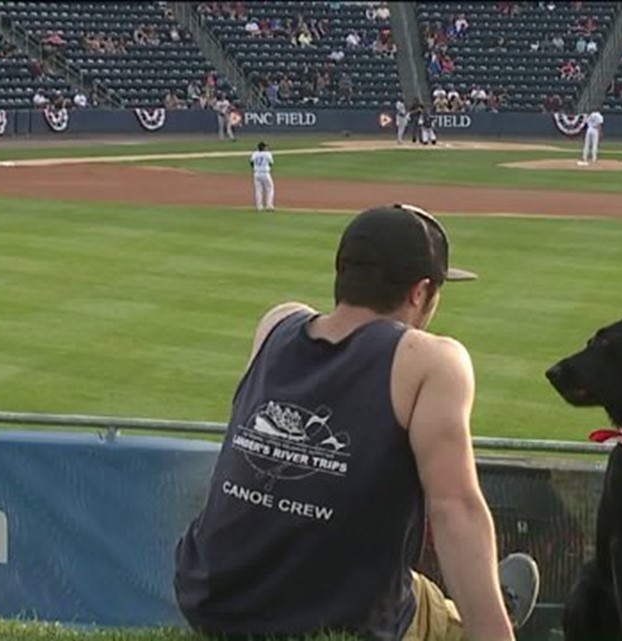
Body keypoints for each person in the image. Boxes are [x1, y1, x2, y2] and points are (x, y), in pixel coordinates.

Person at [173, 203, 541, 641]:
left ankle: (475, 603)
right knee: (440, 621)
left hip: (211, 599)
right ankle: (494, 611)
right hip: (330, 620)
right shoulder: (431, 360)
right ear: (419, 292)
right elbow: (454, 508)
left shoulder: (276, 323)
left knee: (416, 588)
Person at [250, 141, 275, 211]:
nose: (267, 148)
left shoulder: (255, 154)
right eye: (265, 147)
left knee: (258, 190)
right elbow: (271, 163)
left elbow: (251, 162)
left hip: (256, 173)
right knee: (270, 188)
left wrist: (256, 168)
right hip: (265, 173)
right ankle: (269, 205)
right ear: (263, 147)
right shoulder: (268, 154)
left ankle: (259, 206)